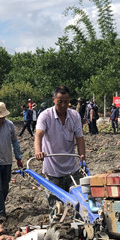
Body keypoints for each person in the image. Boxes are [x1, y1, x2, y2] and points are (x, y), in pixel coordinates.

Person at [34, 85, 85, 214]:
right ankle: (55, 226)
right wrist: (38, 151)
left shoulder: (74, 116)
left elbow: (79, 138)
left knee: (81, 203)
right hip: (52, 168)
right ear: (53, 100)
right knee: (56, 207)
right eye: (60, 102)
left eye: (66, 102)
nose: (63, 105)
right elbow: (39, 135)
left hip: (71, 168)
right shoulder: (45, 116)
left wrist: (82, 155)